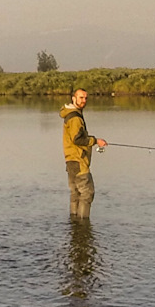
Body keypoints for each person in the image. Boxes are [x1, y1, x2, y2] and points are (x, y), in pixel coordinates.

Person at [60, 88, 107, 218]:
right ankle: (83, 226)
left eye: (86, 98)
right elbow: (78, 139)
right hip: (79, 161)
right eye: (81, 98)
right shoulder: (75, 118)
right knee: (87, 193)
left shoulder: (70, 114)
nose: (84, 101)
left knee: (75, 193)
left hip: (71, 160)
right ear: (73, 98)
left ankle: (75, 224)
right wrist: (96, 140)